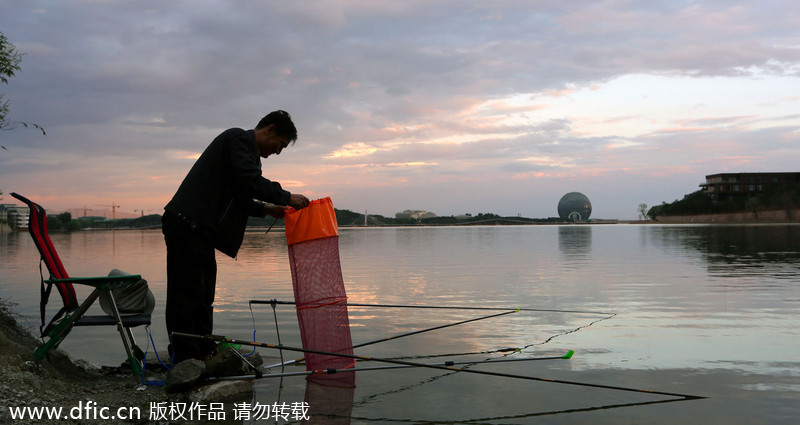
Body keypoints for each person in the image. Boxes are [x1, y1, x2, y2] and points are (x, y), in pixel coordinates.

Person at [162, 110, 310, 364]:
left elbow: (237, 197)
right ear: (269, 130)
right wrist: (286, 197)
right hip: (187, 225)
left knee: (204, 293)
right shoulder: (238, 139)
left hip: (200, 231)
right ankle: (185, 356)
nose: (279, 151)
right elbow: (250, 180)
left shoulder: (246, 153)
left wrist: (266, 208)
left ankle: (202, 348)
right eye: (281, 145)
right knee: (187, 293)